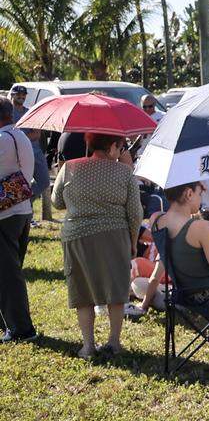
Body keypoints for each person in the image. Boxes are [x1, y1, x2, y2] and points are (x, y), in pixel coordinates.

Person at [51, 132, 143, 358]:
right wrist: (133, 242)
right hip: (115, 236)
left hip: (77, 236)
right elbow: (135, 214)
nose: (121, 153)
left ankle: (88, 346)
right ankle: (113, 342)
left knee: (82, 293)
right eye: (121, 148)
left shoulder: (70, 167)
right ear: (112, 146)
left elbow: (57, 202)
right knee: (116, 291)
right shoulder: (125, 172)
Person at [0, 96, 37, 343]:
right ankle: (10, 324)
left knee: (8, 274)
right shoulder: (19, 135)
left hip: (5, 213)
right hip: (21, 210)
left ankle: (22, 329)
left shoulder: (3, 139)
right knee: (8, 270)